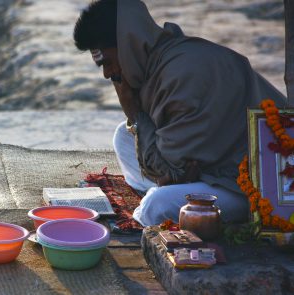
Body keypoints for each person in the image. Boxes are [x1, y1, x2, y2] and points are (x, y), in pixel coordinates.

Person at [73, 0, 288, 226]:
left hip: (253, 186)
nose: (108, 74)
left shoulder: (179, 76)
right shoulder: (160, 61)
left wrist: (134, 112)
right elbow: (171, 171)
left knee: (155, 206)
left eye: (107, 62)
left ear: (128, 44)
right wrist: (175, 174)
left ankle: (138, 225)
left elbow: (168, 172)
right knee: (123, 136)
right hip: (213, 166)